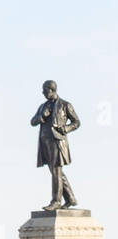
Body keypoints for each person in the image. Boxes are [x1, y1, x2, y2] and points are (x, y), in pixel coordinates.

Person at [30, 80, 80, 209]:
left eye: (44, 90)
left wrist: (65, 129)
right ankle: (71, 198)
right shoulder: (43, 106)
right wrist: (41, 116)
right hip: (45, 141)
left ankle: (56, 201)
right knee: (55, 171)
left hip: (57, 141)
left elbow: (76, 122)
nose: (42, 93)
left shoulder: (65, 105)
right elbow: (33, 121)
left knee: (56, 170)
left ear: (51, 90)